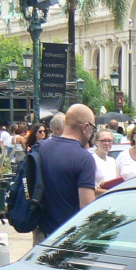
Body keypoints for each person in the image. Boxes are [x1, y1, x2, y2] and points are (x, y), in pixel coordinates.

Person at [34, 104, 99, 243]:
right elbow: (87, 208)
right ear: (85, 127)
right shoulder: (84, 158)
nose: (92, 133)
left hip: (42, 235)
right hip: (69, 238)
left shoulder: (41, 148)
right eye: (93, 128)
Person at [92, 128, 120, 192]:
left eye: (110, 141)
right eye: (104, 141)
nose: (107, 143)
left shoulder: (112, 161)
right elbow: (90, 188)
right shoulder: (91, 160)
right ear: (96, 142)